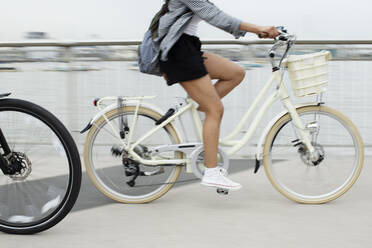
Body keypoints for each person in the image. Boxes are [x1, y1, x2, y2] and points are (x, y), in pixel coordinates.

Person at [156, 0, 279, 191]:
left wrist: (259, 30)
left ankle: (201, 107)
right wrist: (258, 28)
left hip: (187, 48)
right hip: (177, 52)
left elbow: (214, 11)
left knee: (235, 73)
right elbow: (216, 16)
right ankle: (211, 171)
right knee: (215, 109)